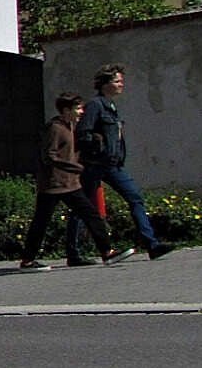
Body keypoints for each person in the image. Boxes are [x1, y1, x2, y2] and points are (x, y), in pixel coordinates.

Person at [66, 64, 175, 262]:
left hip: (113, 165)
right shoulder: (96, 105)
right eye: (117, 81)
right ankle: (73, 252)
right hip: (95, 165)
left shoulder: (112, 107)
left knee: (135, 197)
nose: (120, 85)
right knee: (82, 207)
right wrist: (98, 147)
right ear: (105, 84)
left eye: (120, 81)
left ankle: (151, 244)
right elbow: (82, 134)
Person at [22, 93, 133, 270]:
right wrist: (74, 167)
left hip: (70, 184)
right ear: (66, 110)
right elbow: (49, 156)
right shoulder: (55, 128)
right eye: (78, 108)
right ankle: (28, 260)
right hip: (53, 185)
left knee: (91, 214)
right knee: (41, 222)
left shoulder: (72, 126)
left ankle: (107, 252)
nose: (82, 111)